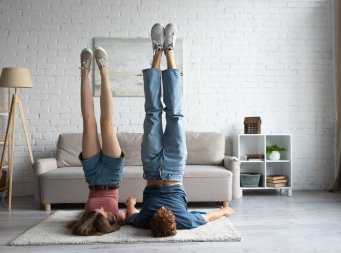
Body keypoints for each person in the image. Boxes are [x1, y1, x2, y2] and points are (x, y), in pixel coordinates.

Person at [125, 23, 234, 237]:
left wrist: (223, 211)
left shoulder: (149, 221)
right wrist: (223, 210)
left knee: (155, 114)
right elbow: (207, 217)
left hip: (160, 168)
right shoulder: (177, 221)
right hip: (170, 168)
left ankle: (158, 51)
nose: (162, 211)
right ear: (173, 221)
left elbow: (130, 216)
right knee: (172, 114)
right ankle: (170, 51)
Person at [67, 47, 126, 236]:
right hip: (112, 175)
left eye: (96, 213)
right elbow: (131, 215)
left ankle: (84, 72)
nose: (99, 209)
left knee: (89, 123)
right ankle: (104, 70)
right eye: (100, 213)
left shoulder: (87, 215)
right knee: (107, 124)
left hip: (92, 175)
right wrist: (132, 207)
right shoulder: (115, 217)